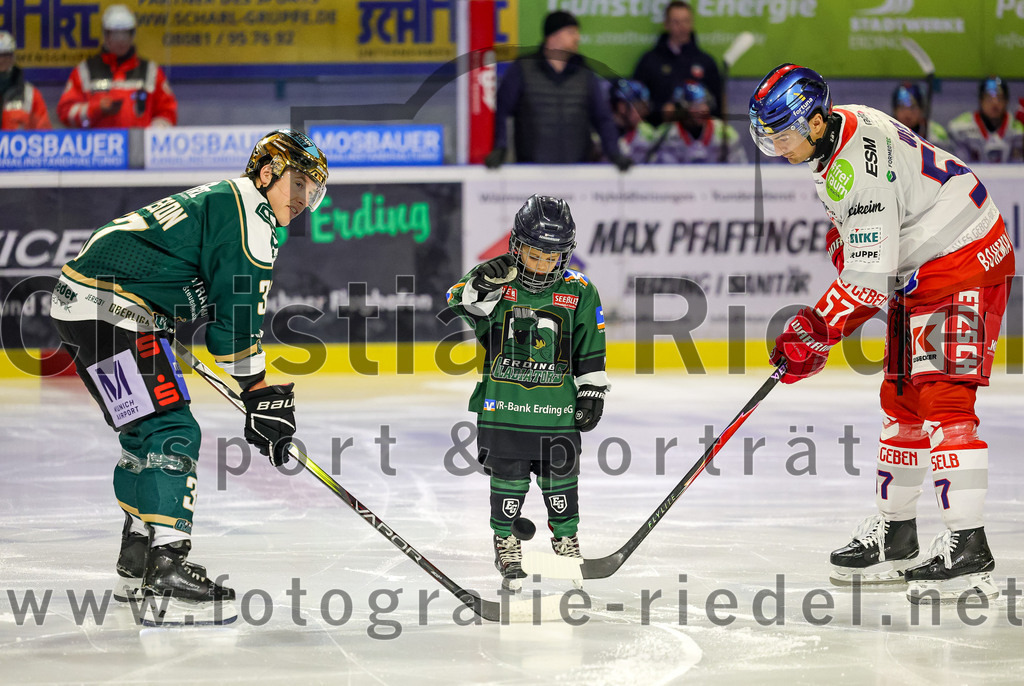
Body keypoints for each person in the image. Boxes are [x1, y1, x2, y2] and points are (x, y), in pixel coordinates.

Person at [749, 64, 1014, 603]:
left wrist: (817, 329)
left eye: (785, 133)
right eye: (770, 135)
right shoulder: (840, 139)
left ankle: (968, 546)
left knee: (945, 398)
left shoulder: (854, 164)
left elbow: (867, 278)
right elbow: (868, 242)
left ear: (817, 122)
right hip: (919, 269)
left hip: (962, 260)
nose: (778, 146)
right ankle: (897, 536)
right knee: (902, 398)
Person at [50, 129, 329, 624]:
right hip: (115, 310)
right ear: (267, 174)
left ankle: (137, 548)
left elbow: (139, 255)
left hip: (81, 304)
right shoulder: (252, 216)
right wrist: (258, 390)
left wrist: (156, 318)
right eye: (300, 184)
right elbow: (236, 322)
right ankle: (168, 561)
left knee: (141, 429)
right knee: (172, 430)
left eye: (313, 189)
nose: (305, 199)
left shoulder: (225, 199)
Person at [445, 195, 610, 590]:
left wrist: (592, 392)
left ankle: (566, 541)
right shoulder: (496, 280)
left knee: (562, 479)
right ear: (517, 246)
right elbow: (457, 302)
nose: (541, 264)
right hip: (505, 409)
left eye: (551, 257)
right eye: (534, 254)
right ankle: (506, 542)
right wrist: (482, 283)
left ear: (565, 255)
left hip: (557, 412)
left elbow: (590, 349)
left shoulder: (581, 291)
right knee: (508, 479)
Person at [485, 11, 630, 170]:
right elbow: (502, 111)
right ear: (552, 35)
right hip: (531, 170)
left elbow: (603, 118)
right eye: (571, 32)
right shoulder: (522, 69)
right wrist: (500, 148)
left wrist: (614, 153)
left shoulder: (584, 73)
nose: (577, 38)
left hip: (577, 169)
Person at [57, 4, 177, 128]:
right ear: (105, 35)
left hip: (138, 145)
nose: (121, 40)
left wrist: (151, 135)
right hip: (98, 145)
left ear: (132, 35)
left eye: (125, 34)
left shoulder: (150, 72)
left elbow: (168, 112)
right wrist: (96, 109)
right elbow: (66, 112)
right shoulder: (85, 71)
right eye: (115, 35)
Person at [632, 1, 722, 124]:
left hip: (697, 137)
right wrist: (661, 111)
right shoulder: (650, 61)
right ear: (666, 24)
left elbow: (717, 106)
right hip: (658, 133)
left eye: (686, 21)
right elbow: (637, 101)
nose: (682, 27)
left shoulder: (706, 62)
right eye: (676, 22)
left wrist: (699, 111)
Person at [661, 81, 747, 163]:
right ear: (682, 108)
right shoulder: (666, 135)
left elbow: (738, 167)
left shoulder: (725, 133)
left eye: (705, 103)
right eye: (695, 105)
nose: (702, 109)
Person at [947, 76, 1024, 163]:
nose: (995, 103)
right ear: (981, 100)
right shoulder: (960, 127)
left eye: (1000, 98)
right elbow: (958, 166)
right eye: (989, 98)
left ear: (1006, 101)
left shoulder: (1019, 129)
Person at [0, 30, 51, 130]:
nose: (1, 60)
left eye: (5, 55)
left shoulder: (30, 94)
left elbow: (45, 133)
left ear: (13, 57)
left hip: (17, 145)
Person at [890, 82, 948, 149]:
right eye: (902, 107)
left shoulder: (937, 136)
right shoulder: (887, 133)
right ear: (894, 110)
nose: (908, 113)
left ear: (922, 110)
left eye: (913, 107)